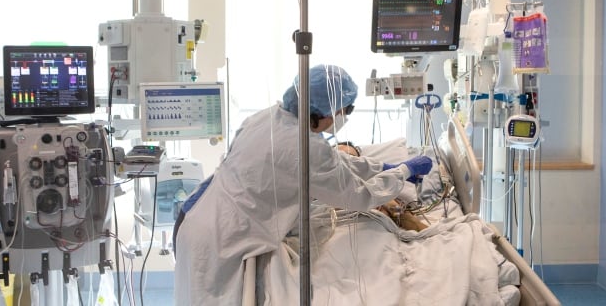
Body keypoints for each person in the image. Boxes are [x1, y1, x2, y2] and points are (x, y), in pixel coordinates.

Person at [173, 64, 433, 305]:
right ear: (321, 111)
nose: (343, 117)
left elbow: (333, 161)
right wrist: (402, 172)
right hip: (222, 238)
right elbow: (358, 196)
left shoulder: (269, 117)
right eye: (345, 110)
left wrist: (381, 168)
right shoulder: (306, 147)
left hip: (197, 213)